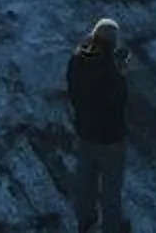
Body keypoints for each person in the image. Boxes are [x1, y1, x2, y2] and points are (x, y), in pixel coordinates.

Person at [64, 15, 130, 231]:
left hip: (84, 130)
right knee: (111, 186)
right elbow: (118, 99)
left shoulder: (77, 59)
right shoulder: (110, 67)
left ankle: (85, 220)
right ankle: (111, 226)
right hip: (110, 137)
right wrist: (121, 69)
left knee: (86, 180)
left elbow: (73, 90)